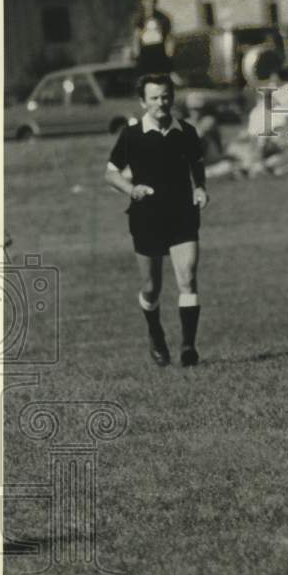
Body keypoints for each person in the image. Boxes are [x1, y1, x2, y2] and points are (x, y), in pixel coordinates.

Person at [104, 73, 209, 367]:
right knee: (152, 287)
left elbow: (197, 164)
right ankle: (155, 332)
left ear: (172, 98)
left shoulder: (186, 131)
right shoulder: (131, 134)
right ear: (143, 101)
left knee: (187, 276)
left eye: (165, 97)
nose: (161, 103)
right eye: (154, 98)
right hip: (147, 217)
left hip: (182, 214)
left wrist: (200, 188)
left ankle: (188, 348)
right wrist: (131, 189)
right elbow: (110, 172)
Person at [131, 0, 174, 75]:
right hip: (145, 54)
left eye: (151, 0)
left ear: (155, 1)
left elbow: (168, 37)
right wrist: (136, 53)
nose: (149, 3)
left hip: (159, 52)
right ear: (142, 2)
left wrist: (169, 52)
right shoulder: (139, 19)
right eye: (146, 0)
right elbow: (136, 37)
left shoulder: (163, 18)